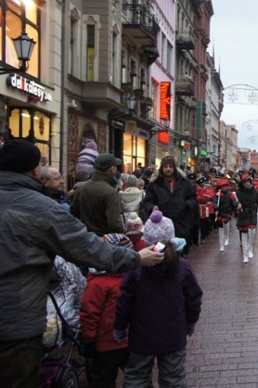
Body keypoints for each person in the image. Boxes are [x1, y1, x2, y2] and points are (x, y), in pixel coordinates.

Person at [0, 139, 163, 387]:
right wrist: (133, 256)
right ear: (35, 171)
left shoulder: (80, 189)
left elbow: (75, 219)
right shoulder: (39, 206)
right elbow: (86, 240)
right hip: (16, 317)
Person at [114, 221, 203, 387]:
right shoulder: (182, 266)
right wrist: (190, 322)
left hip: (141, 336)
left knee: (137, 378)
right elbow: (194, 298)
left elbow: (124, 301)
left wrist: (120, 327)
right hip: (174, 334)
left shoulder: (137, 268)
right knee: (173, 379)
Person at [80, 234, 136, 387]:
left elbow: (88, 313)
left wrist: (89, 338)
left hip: (112, 342)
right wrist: (90, 338)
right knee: (131, 377)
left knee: (106, 379)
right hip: (111, 343)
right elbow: (89, 313)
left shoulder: (98, 282)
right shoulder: (101, 284)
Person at [141, 155, 198, 255]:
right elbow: (147, 202)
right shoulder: (155, 184)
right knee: (162, 254)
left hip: (181, 223)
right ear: (162, 168)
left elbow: (193, 198)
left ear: (174, 168)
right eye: (165, 166)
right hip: (162, 226)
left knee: (181, 254)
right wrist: (152, 207)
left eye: (170, 166)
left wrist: (186, 205)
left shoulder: (185, 183)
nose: (168, 169)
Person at [71, 153, 125, 236]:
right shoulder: (110, 192)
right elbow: (115, 224)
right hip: (103, 241)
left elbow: (73, 215)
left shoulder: (81, 189)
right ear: (112, 169)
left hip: (84, 238)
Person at [235, 173, 258, 263]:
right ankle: (245, 255)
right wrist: (236, 205)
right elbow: (234, 202)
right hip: (242, 214)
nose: (247, 183)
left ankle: (250, 248)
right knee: (243, 235)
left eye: (248, 182)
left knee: (252, 232)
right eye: (245, 182)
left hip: (252, 213)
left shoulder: (254, 192)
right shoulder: (238, 192)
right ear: (242, 183)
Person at [214, 178, 238, 252]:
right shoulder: (217, 195)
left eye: (225, 186)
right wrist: (216, 209)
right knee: (220, 229)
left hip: (227, 212)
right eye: (222, 186)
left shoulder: (230, 194)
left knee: (226, 226)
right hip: (220, 213)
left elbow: (234, 204)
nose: (224, 187)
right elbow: (215, 203)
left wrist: (235, 202)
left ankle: (227, 237)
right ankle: (221, 245)